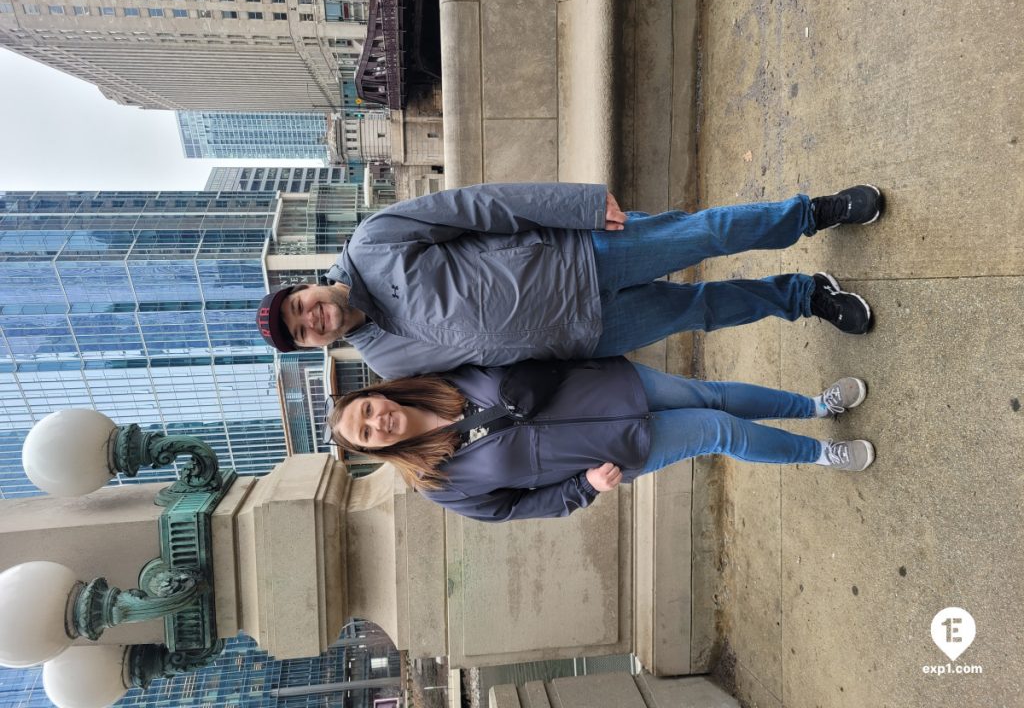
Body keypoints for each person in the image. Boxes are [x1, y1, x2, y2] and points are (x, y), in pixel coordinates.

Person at [257, 182, 884, 378]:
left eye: (301, 307)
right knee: (703, 311)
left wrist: (577, 207)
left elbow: (481, 208)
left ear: (307, 287)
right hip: (584, 333)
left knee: (705, 235)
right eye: (302, 333)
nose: (312, 320)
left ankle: (816, 213)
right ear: (315, 347)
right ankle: (805, 297)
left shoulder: (371, 242)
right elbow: (482, 380)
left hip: (580, 256)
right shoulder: (388, 366)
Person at [327, 357, 874, 522]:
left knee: (717, 396)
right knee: (717, 430)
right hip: (612, 454)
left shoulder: (443, 376)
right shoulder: (440, 485)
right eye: (366, 434)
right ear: (374, 451)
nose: (378, 423)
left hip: (610, 387)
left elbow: (517, 353)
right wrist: (583, 489)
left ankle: (814, 407)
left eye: (368, 410)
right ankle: (822, 452)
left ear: (379, 395)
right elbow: (518, 509)